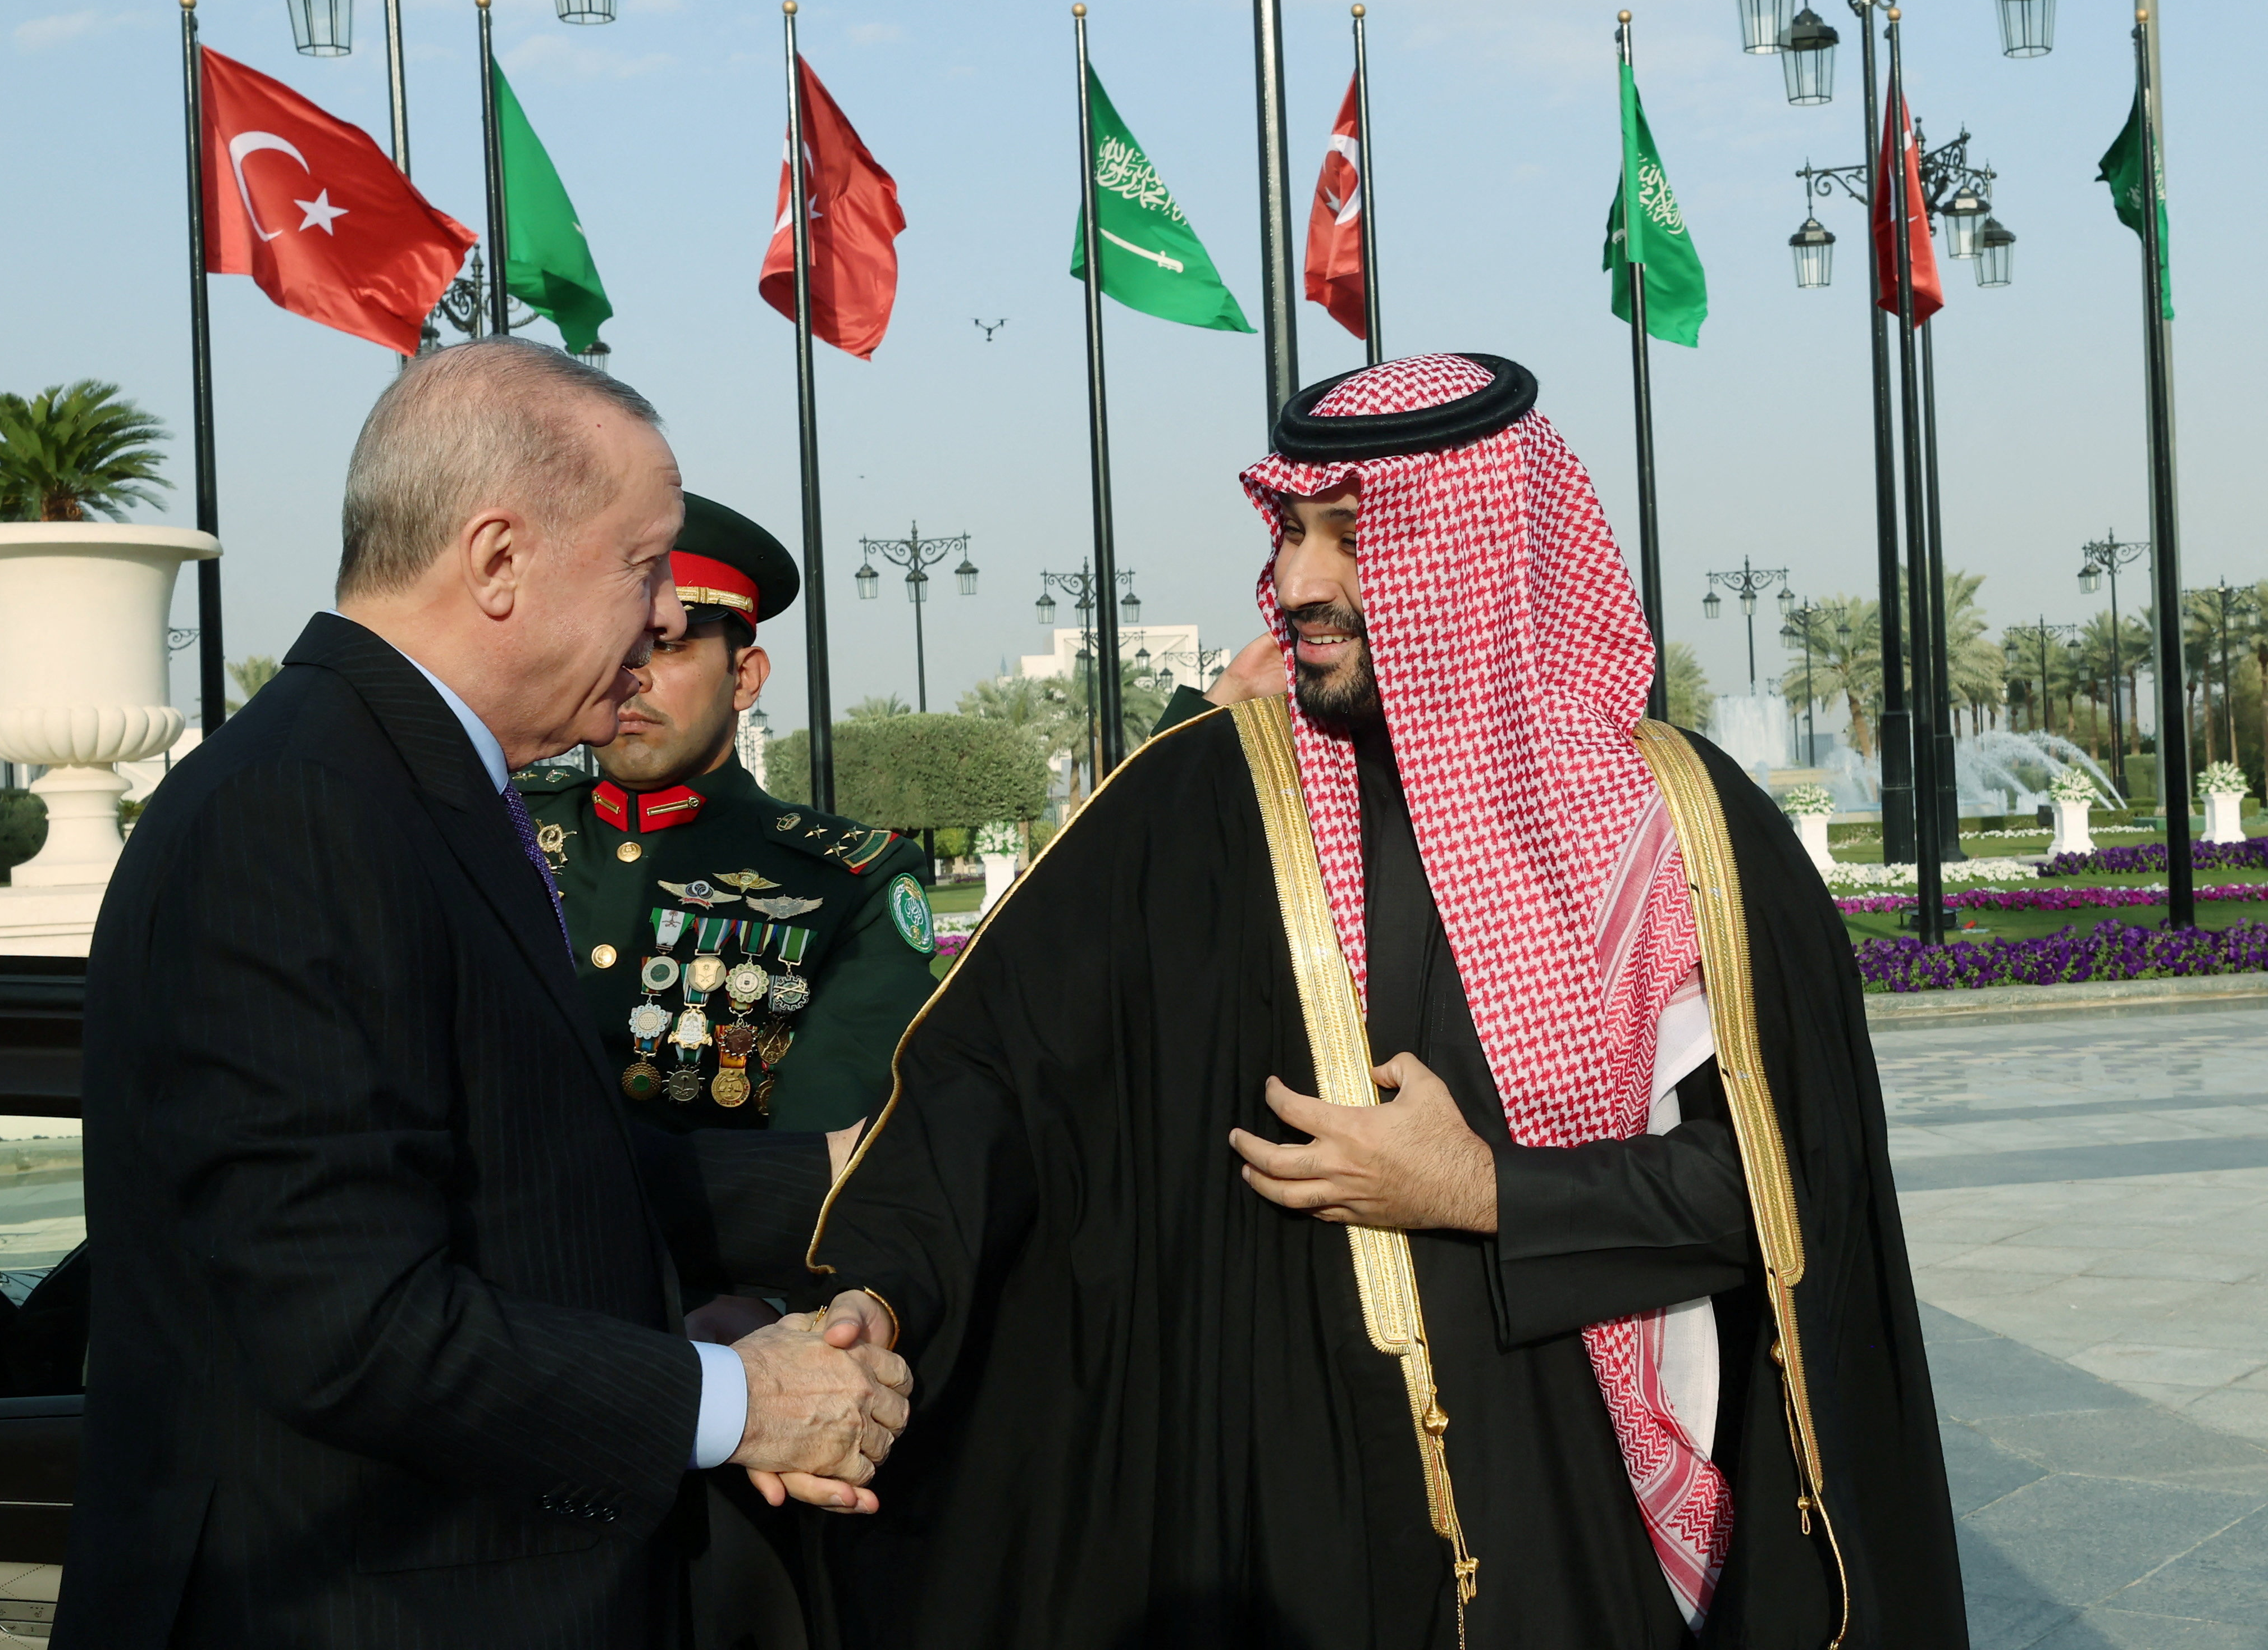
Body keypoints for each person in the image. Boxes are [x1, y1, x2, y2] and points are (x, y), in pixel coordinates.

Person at [802, 354, 1965, 1648]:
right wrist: (882, 1298)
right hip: (1254, 1525)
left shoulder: (1679, 827)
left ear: (1476, 551)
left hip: (1560, 1526)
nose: (1297, 581)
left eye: (1350, 539)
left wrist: (1489, 1194)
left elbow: (1788, 1191)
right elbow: (985, 1089)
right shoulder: (1187, 809)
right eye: (1291, 532)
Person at [62, 339, 909, 1650]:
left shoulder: (400, 785)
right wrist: (737, 1399)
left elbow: (517, 1150)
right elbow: (346, 1322)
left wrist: (845, 1174)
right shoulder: (300, 813)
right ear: (499, 559)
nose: (659, 618)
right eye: (643, 569)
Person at [512, 494, 936, 1137]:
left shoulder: (853, 879)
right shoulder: (500, 820)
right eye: (615, 643)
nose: (633, 675)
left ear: (745, 678)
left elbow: (826, 1145)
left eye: (668, 647)